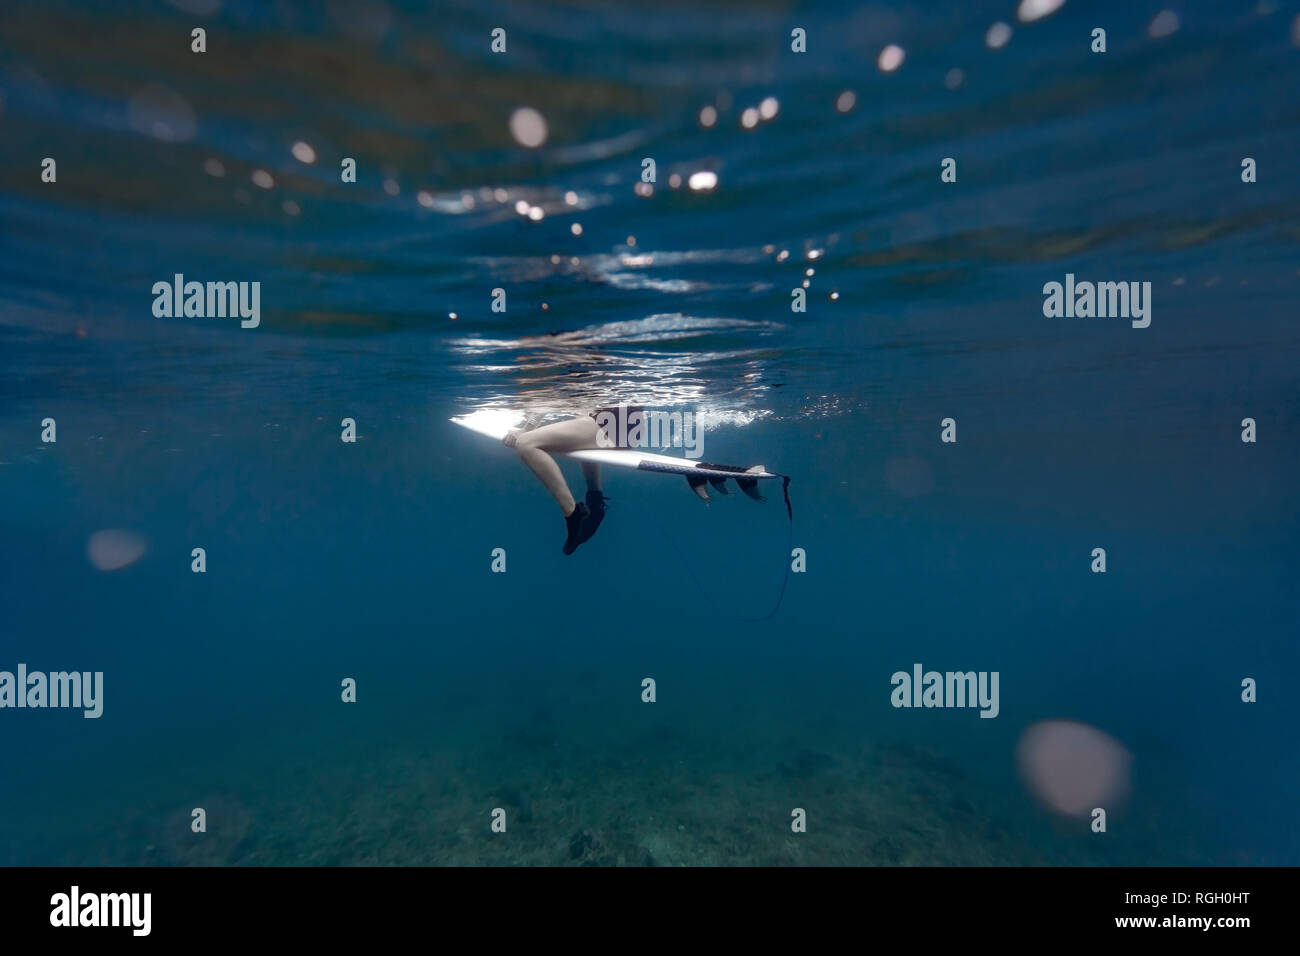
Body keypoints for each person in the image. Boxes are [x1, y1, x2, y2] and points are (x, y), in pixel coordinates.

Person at [503, 407, 642, 554]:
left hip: (614, 424)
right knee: (580, 420)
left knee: (525, 443)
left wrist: (527, 428)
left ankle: (574, 514)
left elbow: (548, 398)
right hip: (626, 424)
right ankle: (595, 501)